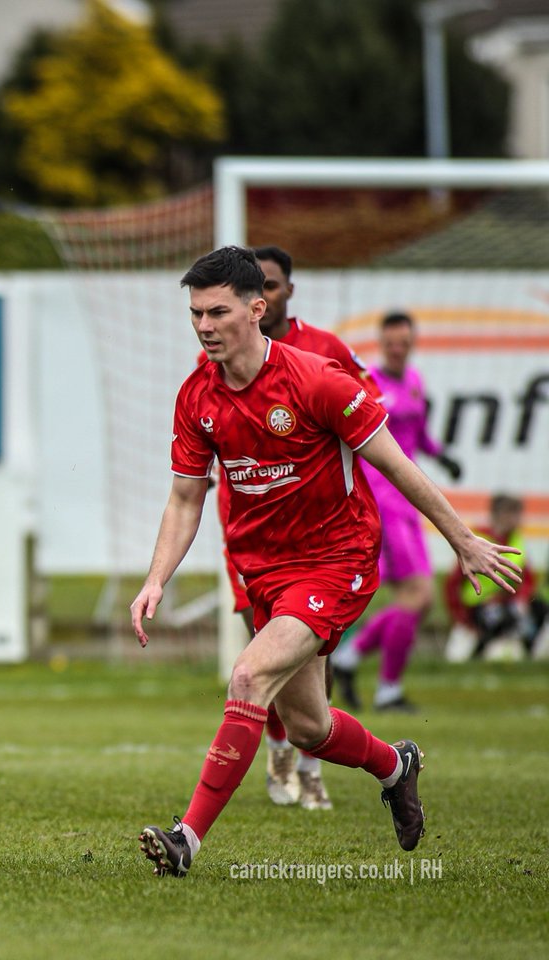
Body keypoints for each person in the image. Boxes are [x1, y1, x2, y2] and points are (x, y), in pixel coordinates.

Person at [130, 246, 520, 877]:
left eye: (217, 312)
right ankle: (397, 766)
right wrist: (155, 580)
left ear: (258, 309)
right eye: (196, 313)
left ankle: (186, 840)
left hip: (336, 558)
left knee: (249, 678)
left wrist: (462, 539)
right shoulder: (196, 396)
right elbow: (184, 499)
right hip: (265, 571)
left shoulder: (316, 380)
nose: (204, 326)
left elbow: (397, 465)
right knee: (309, 727)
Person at [207, 245, 383, 810]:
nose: (207, 324)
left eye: (274, 285)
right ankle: (288, 753)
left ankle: (306, 768)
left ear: (278, 296)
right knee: (272, 668)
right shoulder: (212, 369)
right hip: (252, 545)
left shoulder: (323, 354)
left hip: (321, 546)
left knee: (291, 662)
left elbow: (367, 415)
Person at [331, 311, 463, 712]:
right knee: (416, 593)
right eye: (390, 342)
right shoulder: (366, 386)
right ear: (381, 343)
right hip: (382, 502)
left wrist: (443, 456)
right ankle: (387, 689)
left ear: (411, 342)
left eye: (403, 342)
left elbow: (418, 436)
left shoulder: (415, 382)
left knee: (421, 600)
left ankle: (349, 658)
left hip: (409, 502)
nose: (397, 348)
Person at [445, 493, 541, 659]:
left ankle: (528, 651)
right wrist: (460, 616)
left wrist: (521, 598)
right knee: (497, 616)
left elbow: (528, 579)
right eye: (512, 513)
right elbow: (453, 583)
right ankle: (481, 649)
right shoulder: (477, 541)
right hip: (479, 604)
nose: (517, 519)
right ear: (497, 514)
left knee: (537, 609)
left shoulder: (516, 541)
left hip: (508, 603)